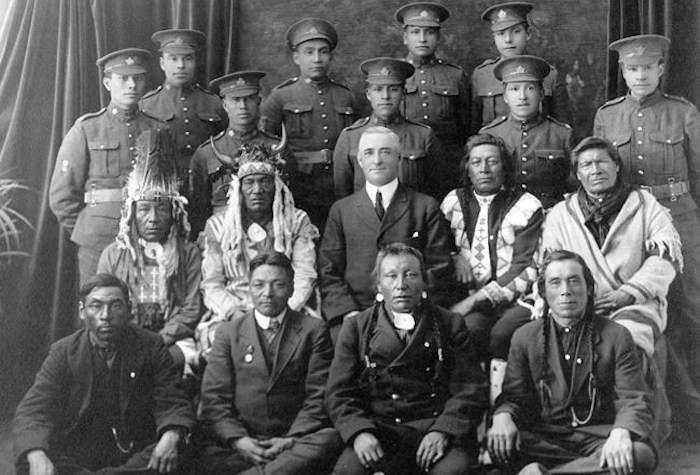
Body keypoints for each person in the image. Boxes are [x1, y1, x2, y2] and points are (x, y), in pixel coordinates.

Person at [593, 34, 700, 406]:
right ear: (623, 72)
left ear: (661, 69)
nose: (640, 75)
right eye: (632, 68)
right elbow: (600, 171)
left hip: (680, 214)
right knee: (639, 298)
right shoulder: (608, 115)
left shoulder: (682, 111)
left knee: (692, 300)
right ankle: (654, 393)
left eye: (647, 68)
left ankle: (695, 393)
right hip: (633, 218)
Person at [487, 250, 657, 475]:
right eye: (555, 283)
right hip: (546, 440)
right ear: (543, 292)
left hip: (598, 439)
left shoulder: (617, 335)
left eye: (574, 281)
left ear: (588, 288)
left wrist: (621, 431)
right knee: (500, 445)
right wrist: (502, 416)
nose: (565, 291)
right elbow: (513, 397)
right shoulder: (525, 337)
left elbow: (633, 398)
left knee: (640, 454)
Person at [326, 243, 488, 475]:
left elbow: (470, 388)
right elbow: (338, 393)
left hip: (434, 431)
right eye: (391, 276)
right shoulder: (356, 327)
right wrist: (359, 433)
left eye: (410, 275)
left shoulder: (449, 324)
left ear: (423, 282)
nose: (401, 285)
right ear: (379, 285)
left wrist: (443, 431)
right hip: (380, 433)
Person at [13, 274, 195, 475]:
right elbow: (34, 409)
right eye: (96, 306)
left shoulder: (151, 346)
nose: (106, 315)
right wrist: (36, 454)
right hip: (80, 453)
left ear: (129, 310)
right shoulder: (63, 352)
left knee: (175, 449)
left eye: (116, 305)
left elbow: (172, 400)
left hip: (135, 451)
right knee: (31, 460)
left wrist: (170, 435)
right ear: (82, 312)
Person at [199, 252, 341, 475]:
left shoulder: (313, 330)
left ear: (292, 289)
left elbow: (318, 395)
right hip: (241, 444)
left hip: (292, 442)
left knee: (329, 439)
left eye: (278, 285)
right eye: (259, 285)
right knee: (204, 450)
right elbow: (214, 398)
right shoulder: (228, 333)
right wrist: (239, 440)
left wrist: (290, 439)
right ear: (249, 288)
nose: (268, 293)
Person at [50, 48, 169, 285]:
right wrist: (90, 229)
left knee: (146, 309)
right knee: (98, 307)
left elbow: (168, 190)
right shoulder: (86, 129)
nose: (131, 85)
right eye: (123, 78)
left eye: (137, 78)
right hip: (98, 241)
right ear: (107, 83)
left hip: (148, 237)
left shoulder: (159, 130)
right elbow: (61, 197)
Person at [320, 126, 452, 337]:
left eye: (386, 152)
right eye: (369, 153)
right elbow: (328, 270)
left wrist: (411, 309)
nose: (377, 160)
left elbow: (439, 266)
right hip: (355, 314)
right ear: (360, 161)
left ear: (399, 159)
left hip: (413, 313)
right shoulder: (341, 211)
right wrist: (348, 312)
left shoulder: (425, 207)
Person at [97, 129, 202, 376]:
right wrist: (134, 338)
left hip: (173, 341)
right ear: (132, 213)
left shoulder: (188, 253)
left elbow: (191, 309)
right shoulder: (113, 255)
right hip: (124, 337)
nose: (153, 219)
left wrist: (160, 339)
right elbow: (106, 306)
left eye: (161, 209)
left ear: (174, 211)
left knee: (177, 362)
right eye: (144, 209)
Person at [197, 140, 318, 354]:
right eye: (249, 182)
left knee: (307, 340)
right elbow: (212, 284)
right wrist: (234, 311)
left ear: (277, 185)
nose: (257, 190)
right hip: (236, 308)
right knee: (219, 342)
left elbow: (304, 275)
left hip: (286, 306)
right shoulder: (218, 227)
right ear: (238, 189)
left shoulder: (297, 221)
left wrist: (283, 311)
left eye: (264, 182)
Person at [441, 133, 543, 360]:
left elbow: (526, 266)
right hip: (470, 298)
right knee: (469, 330)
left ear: (505, 167)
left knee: (503, 334)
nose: (484, 169)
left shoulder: (526, 206)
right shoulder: (453, 203)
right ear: (467, 168)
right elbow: (439, 248)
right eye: (476, 162)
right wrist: (454, 256)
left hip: (517, 299)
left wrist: (476, 300)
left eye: (493, 161)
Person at [260, 18, 357, 231]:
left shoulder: (346, 97)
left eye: (323, 52)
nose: (317, 59)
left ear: (330, 56)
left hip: (340, 185)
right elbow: (263, 145)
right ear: (296, 57)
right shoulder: (280, 97)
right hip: (298, 187)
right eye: (309, 52)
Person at [189, 71, 295, 238]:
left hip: (272, 234)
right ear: (224, 104)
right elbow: (199, 209)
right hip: (222, 235)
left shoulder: (278, 148)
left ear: (259, 101)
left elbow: (289, 200)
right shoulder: (207, 153)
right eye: (235, 100)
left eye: (249, 98)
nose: (243, 106)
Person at [333, 57, 443, 200]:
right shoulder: (350, 137)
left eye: (393, 89)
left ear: (403, 93)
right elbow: (342, 197)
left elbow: (436, 191)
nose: (385, 96)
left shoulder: (423, 136)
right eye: (378, 90)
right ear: (368, 94)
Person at [395, 1, 470, 195]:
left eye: (429, 32)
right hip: (406, 165)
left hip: (449, 166)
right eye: (415, 32)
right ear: (405, 37)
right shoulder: (395, 75)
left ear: (438, 37)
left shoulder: (455, 75)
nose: (422, 38)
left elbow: (467, 127)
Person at [479, 55, 572, 209]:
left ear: (541, 94)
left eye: (530, 88)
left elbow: (573, 186)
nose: (522, 97)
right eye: (514, 89)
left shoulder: (562, 135)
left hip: (548, 216)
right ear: (505, 96)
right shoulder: (490, 135)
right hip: (502, 216)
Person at [140, 29, 226, 193]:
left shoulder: (213, 103)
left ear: (196, 62)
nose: (181, 65)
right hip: (164, 189)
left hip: (207, 187)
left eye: (188, 59)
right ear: (162, 63)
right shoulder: (146, 105)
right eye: (173, 59)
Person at [471, 1, 571, 131]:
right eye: (501, 33)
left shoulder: (549, 75)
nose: (508, 40)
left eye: (516, 32)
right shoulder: (482, 75)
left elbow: (563, 128)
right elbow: (473, 129)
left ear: (528, 33)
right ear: (494, 37)